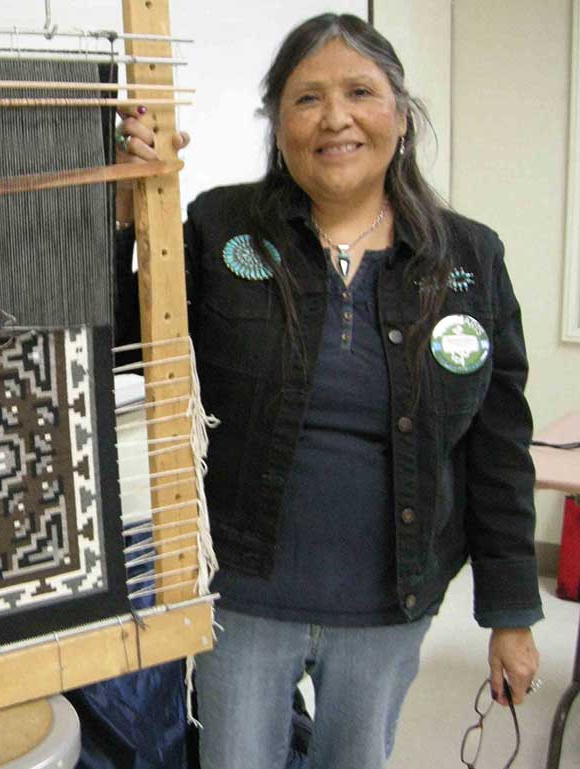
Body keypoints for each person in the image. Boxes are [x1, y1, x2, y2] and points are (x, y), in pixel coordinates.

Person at [113, 13, 542, 769]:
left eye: (359, 92)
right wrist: (132, 215)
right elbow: (128, 340)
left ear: (400, 115)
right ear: (277, 126)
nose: (335, 117)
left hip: (391, 603)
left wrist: (510, 614)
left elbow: (498, 445)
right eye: (307, 98)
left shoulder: (468, 256)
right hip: (242, 596)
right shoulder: (218, 227)